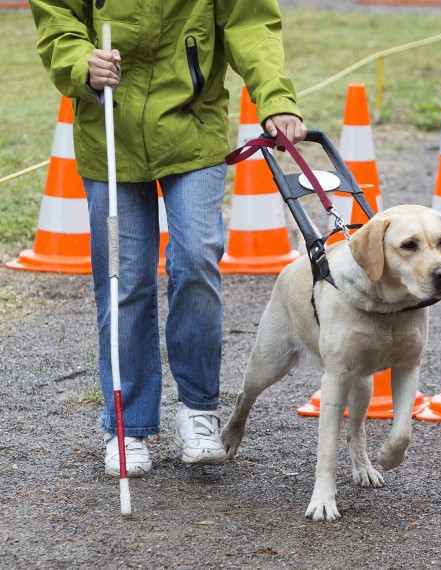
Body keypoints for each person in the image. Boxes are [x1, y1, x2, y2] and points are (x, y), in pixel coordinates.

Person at [30, 0, 306, 477]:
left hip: (193, 130)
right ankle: (127, 426)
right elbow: (57, 18)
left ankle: (198, 411)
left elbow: (250, 22)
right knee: (126, 279)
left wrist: (275, 99)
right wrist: (81, 63)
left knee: (197, 257)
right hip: (108, 133)